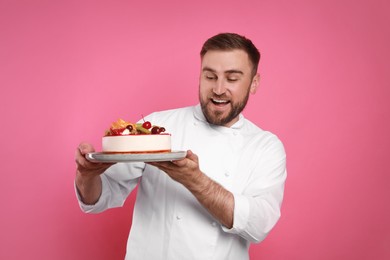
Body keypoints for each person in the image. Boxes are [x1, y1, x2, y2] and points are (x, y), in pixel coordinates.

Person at [75, 32, 287, 260]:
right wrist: (87, 176)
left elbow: (258, 225)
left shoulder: (265, 147)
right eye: (210, 76)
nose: (218, 89)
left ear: (254, 83)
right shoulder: (158, 127)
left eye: (232, 79)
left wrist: (193, 179)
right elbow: (101, 195)